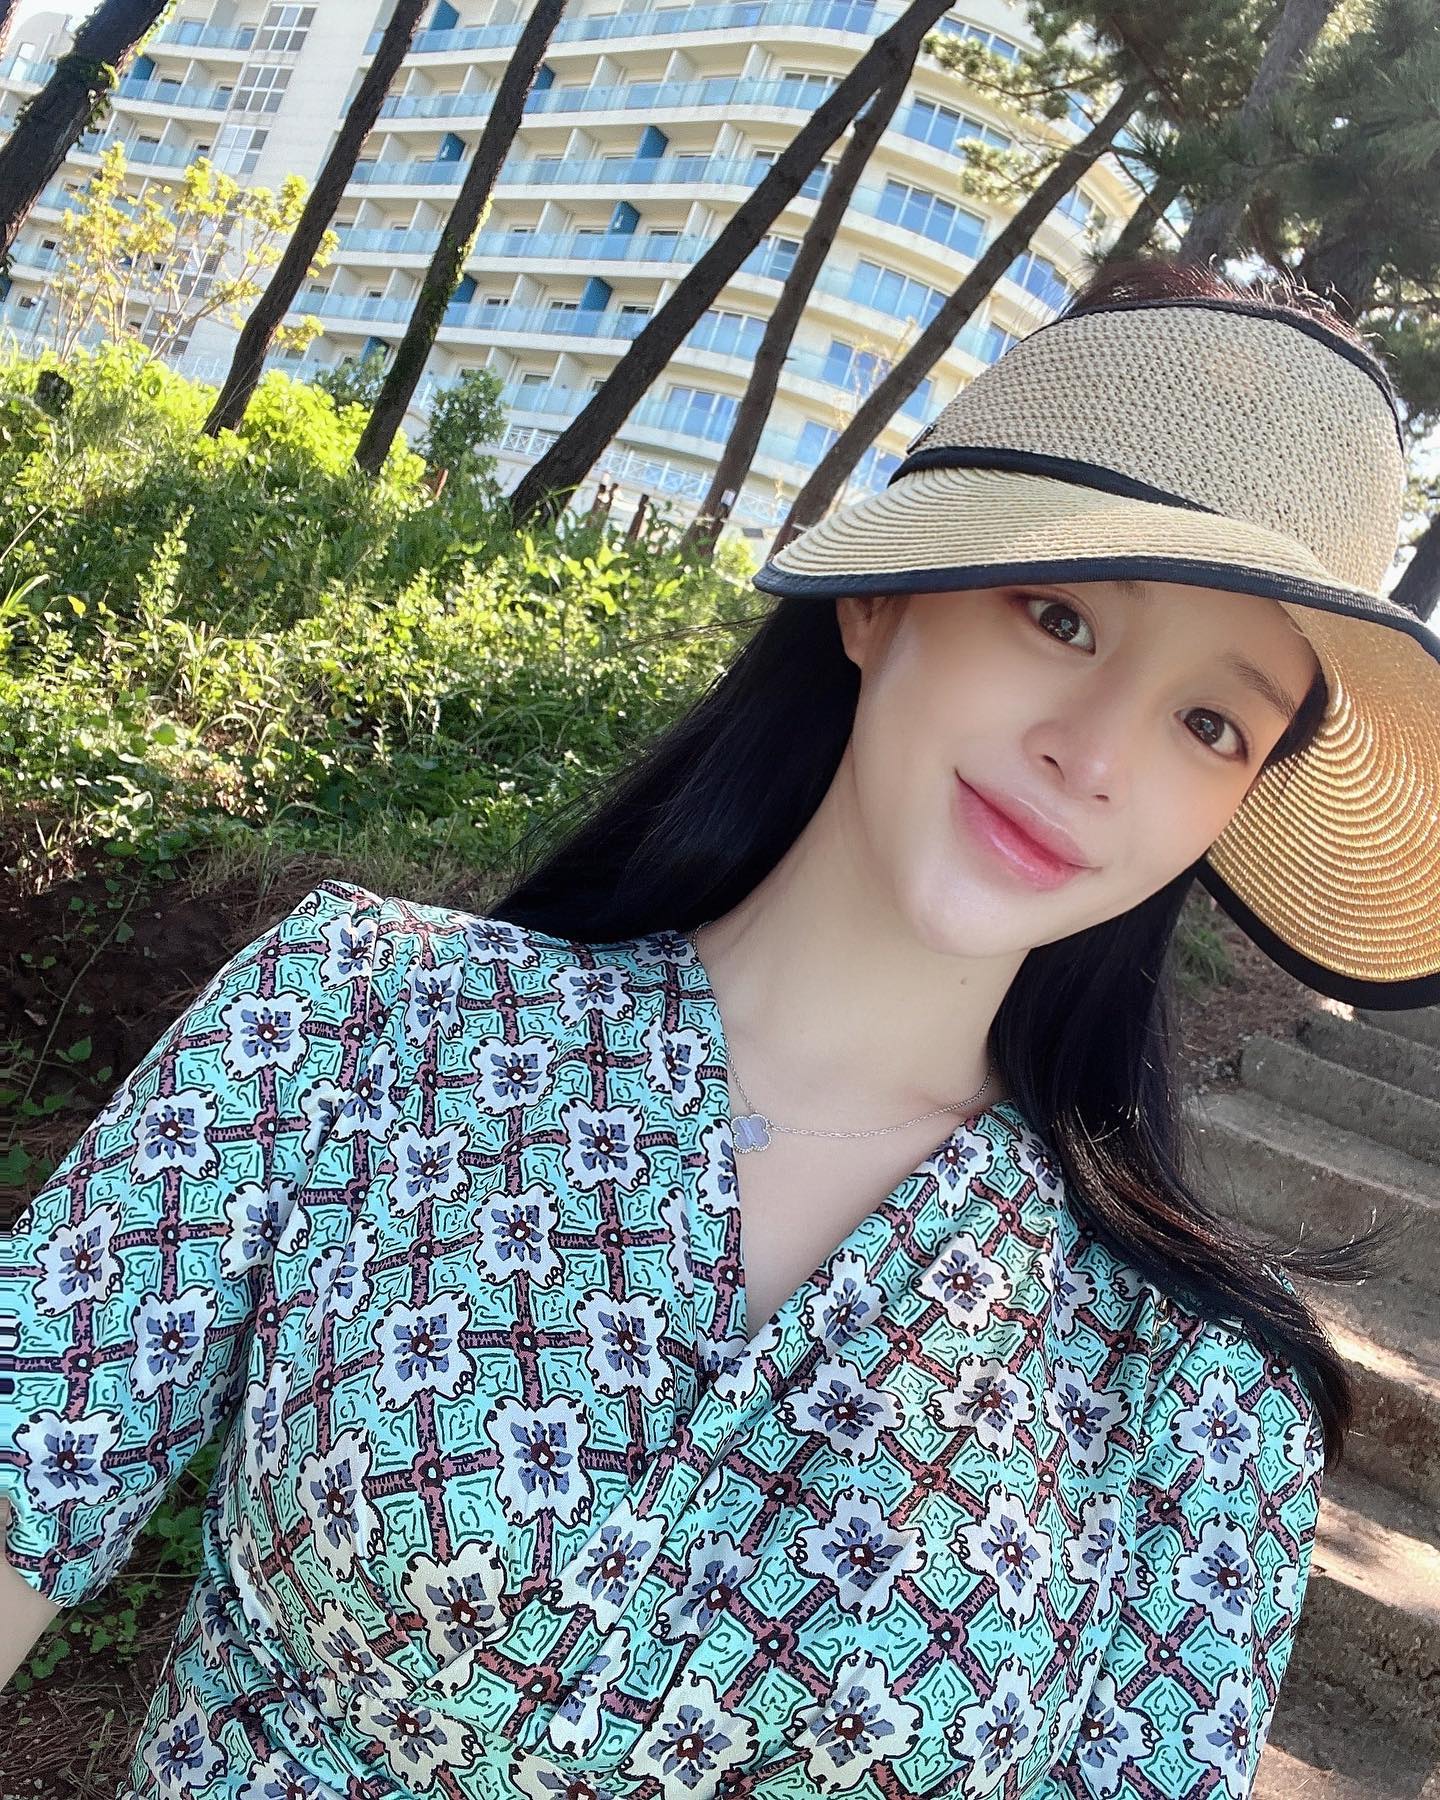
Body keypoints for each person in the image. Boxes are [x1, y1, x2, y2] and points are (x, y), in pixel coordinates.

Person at [1, 253, 1436, 1800]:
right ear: (883, 597)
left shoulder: (1198, 1399)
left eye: (1210, 721)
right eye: (1061, 616)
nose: (1095, 759)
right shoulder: (356, 1018)